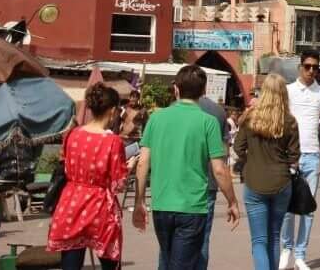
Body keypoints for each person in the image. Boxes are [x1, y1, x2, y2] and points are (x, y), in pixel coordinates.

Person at [133, 65, 240, 270]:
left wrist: (139, 201)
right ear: (203, 91)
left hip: (162, 204)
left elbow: (143, 162)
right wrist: (232, 201)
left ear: (176, 89)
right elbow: (218, 168)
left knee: (167, 259)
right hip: (192, 206)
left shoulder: (156, 118)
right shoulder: (207, 122)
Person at [48, 83, 128, 270]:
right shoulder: (113, 142)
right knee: (110, 265)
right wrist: (129, 167)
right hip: (99, 207)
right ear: (113, 110)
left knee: (71, 264)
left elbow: (66, 166)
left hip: (71, 205)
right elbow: (119, 184)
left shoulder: (72, 135)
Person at [234, 74, 300, 270]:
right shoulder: (289, 121)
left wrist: (250, 160)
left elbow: (238, 148)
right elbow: (294, 155)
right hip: (281, 182)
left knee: (259, 241)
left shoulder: (250, 118)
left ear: (263, 93)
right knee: (274, 236)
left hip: (255, 182)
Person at [280, 51, 320, 270]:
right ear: (300, 67)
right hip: (289, 155)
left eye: (315, 67)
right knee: (287, 208)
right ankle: (286, 250)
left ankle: (301, 254)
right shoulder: (288, 90)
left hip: (312, 155)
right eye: (308, 66)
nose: (311, 71)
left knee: (308, 209)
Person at [195, 83, 230, 270]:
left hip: (177, 185)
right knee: (203, 238)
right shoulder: (217, 111)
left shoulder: (170, 111)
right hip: (208, 181)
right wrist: (231, 198)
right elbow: (223, 153)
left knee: (171, 242)